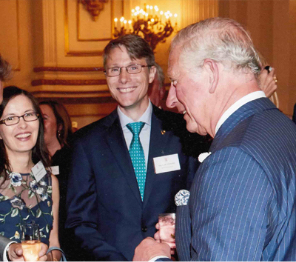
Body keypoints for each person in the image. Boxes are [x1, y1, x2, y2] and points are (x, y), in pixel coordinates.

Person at [134, 17, 296, 261]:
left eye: (176, 82)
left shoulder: (233, 160)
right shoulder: (283, 127)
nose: (170, 100)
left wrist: (155, 260)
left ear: (211, 72)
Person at [65, 34, 207, 261]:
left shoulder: (182, 132)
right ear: (106, 76)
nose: (123, 78)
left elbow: (200, 205)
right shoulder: (87, 143)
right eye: (114, 69)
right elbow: (79, 224)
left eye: (133, 67)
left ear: (151, 73)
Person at [0, 86, 61, 261]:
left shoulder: (50, 182)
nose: (23, 125)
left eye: (28, 115)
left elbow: (54, 243)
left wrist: (49, 258)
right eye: (10, 118)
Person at [39, 100, 73, 260]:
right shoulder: (33, 163)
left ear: (59, 125)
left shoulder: (73, 158)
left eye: (43, 118)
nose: (38, 123)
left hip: (69, 239)